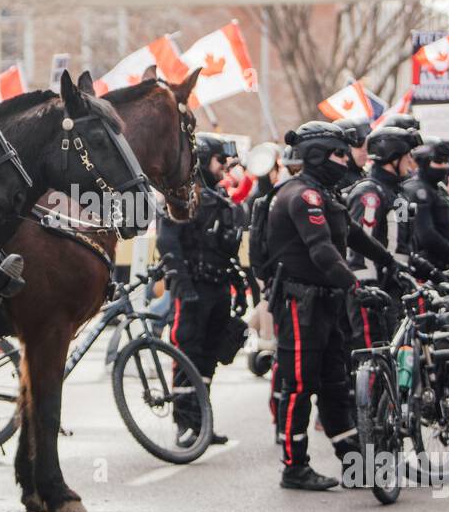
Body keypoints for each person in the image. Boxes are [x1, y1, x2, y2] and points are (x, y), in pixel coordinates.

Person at [268, 121, 396, 491]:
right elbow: (321, 249)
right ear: (317, 154)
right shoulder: (301, 195)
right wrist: (356, 286)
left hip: (327, 304)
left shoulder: (326, 195)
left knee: (335, 386)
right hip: (299, 304)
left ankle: (354, 465)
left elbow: (356, 237)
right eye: (339, 153)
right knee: (299, 386)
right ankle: (294, 467)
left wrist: (395, 267)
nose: (345, 159)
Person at [158, 134, 247, 446]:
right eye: (220, 161)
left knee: (209, 358)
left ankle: (203, 422)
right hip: (193, 289)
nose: (225, 167)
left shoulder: (219, 199)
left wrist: (237, 282)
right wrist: (183, 286)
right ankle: (185, 424)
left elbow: (226, 249)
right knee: (187, 356)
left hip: (218, 288)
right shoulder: (182, 197)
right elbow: (167, 244)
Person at [345, 124, 421, 346]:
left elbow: (402, 247)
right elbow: (359, 248)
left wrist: (432, 273)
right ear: (392, 157)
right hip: (374, 293)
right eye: (407, 156)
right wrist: (369, 291)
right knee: (373, 357)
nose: (410, 162)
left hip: (394, 290)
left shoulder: (397, 193)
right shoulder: (370, 193)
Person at [401, 137, 449, 273]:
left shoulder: (440, 189)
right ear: (425, 162)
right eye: (439, 161)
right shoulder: (416, 190)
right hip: (426, 267)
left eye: (447, 161)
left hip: (446, 264)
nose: (445, 166)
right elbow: (426, 235)